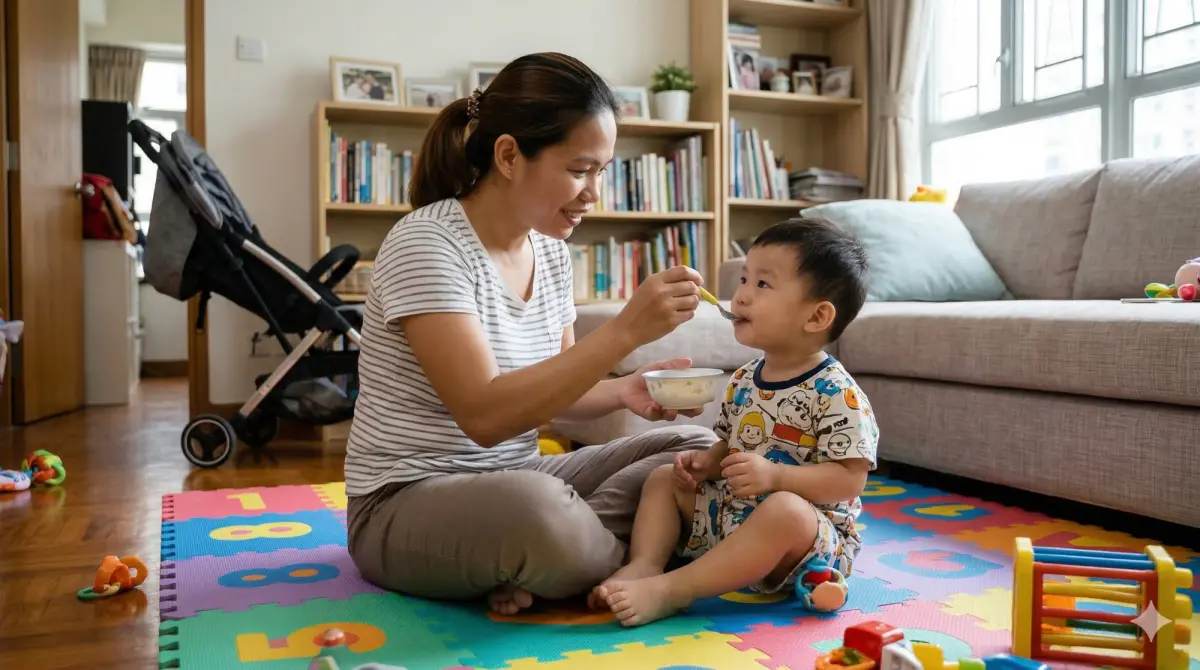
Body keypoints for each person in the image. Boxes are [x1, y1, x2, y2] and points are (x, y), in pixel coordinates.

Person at [344, 52, 718, 616]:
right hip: (402, 502)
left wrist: (623, 390)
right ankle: (636, 554)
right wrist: (622, 333)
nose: (594, 192)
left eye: (602, 170)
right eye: (578, 169)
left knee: (695, 453)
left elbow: (554, 402)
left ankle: (564, 564)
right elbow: (486, 416)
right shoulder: (426, 244)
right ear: (509, 155)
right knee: (540, 511)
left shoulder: (551, 253)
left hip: (516, 477)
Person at [590, 217, 879, 626]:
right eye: (744, 279)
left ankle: (674, 590)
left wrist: (777, 478)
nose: (740, 296)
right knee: (661, 480)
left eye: (762, 284)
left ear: (816, 317)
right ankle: (646, 564)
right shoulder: (745, 377)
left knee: (784, 511)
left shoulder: (837, 392)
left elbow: (850, 480)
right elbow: (732, 442)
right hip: (735, 514)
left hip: (806, 543)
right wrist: (708, 462)